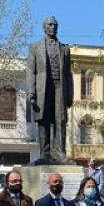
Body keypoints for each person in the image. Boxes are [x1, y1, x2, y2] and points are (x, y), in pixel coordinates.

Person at [27, 16, 74, 163]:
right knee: (44, 121)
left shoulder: (65, 49)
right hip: (43, 89)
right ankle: (44, 153)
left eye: (55, 25)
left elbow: (68, 74)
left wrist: (70, 95)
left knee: (60, 120)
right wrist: (31, 92)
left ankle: (60, 152)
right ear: (44, 27)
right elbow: (31, 71)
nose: (53, 27)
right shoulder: (35, 47)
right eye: (50, 25)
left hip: (60, 87)